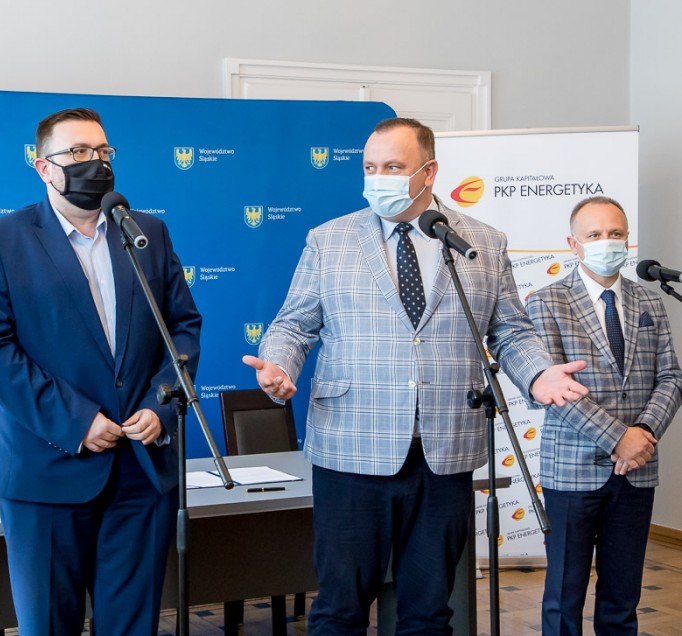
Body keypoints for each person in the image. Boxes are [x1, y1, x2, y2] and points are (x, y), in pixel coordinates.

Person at [243, 117, 590, 635]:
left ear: (428, 172)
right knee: (339, 611)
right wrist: (280, 364)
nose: (377, 178)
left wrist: (538, 374)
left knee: (429, 614)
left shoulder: (481, 242)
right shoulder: (329, 239)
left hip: (443, 454)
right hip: (352, 449)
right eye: (369, 167)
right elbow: (293, 324)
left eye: (392, 167)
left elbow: (511, 330)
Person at [0, 107, 202, 635]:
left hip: (141, 469)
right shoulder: (0, 241)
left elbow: (181, 328)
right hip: (45, 469)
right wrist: (76, 421)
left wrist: (161, 404)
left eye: (102, 151)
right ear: (43, 167)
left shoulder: (147, 233)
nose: (96, 162)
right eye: (77, 152)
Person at [525, 196, 681, 635]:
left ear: (627, 239)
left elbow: (671, 376)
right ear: (573, 244)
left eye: (615, 233)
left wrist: (643, 432)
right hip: (572, 470)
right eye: (594, 234)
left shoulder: (650, 301)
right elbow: (555, 389)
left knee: (622, 597)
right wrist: (619, 438)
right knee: (564, 596)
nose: (606, 241)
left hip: (637, 469)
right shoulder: (547, 302)